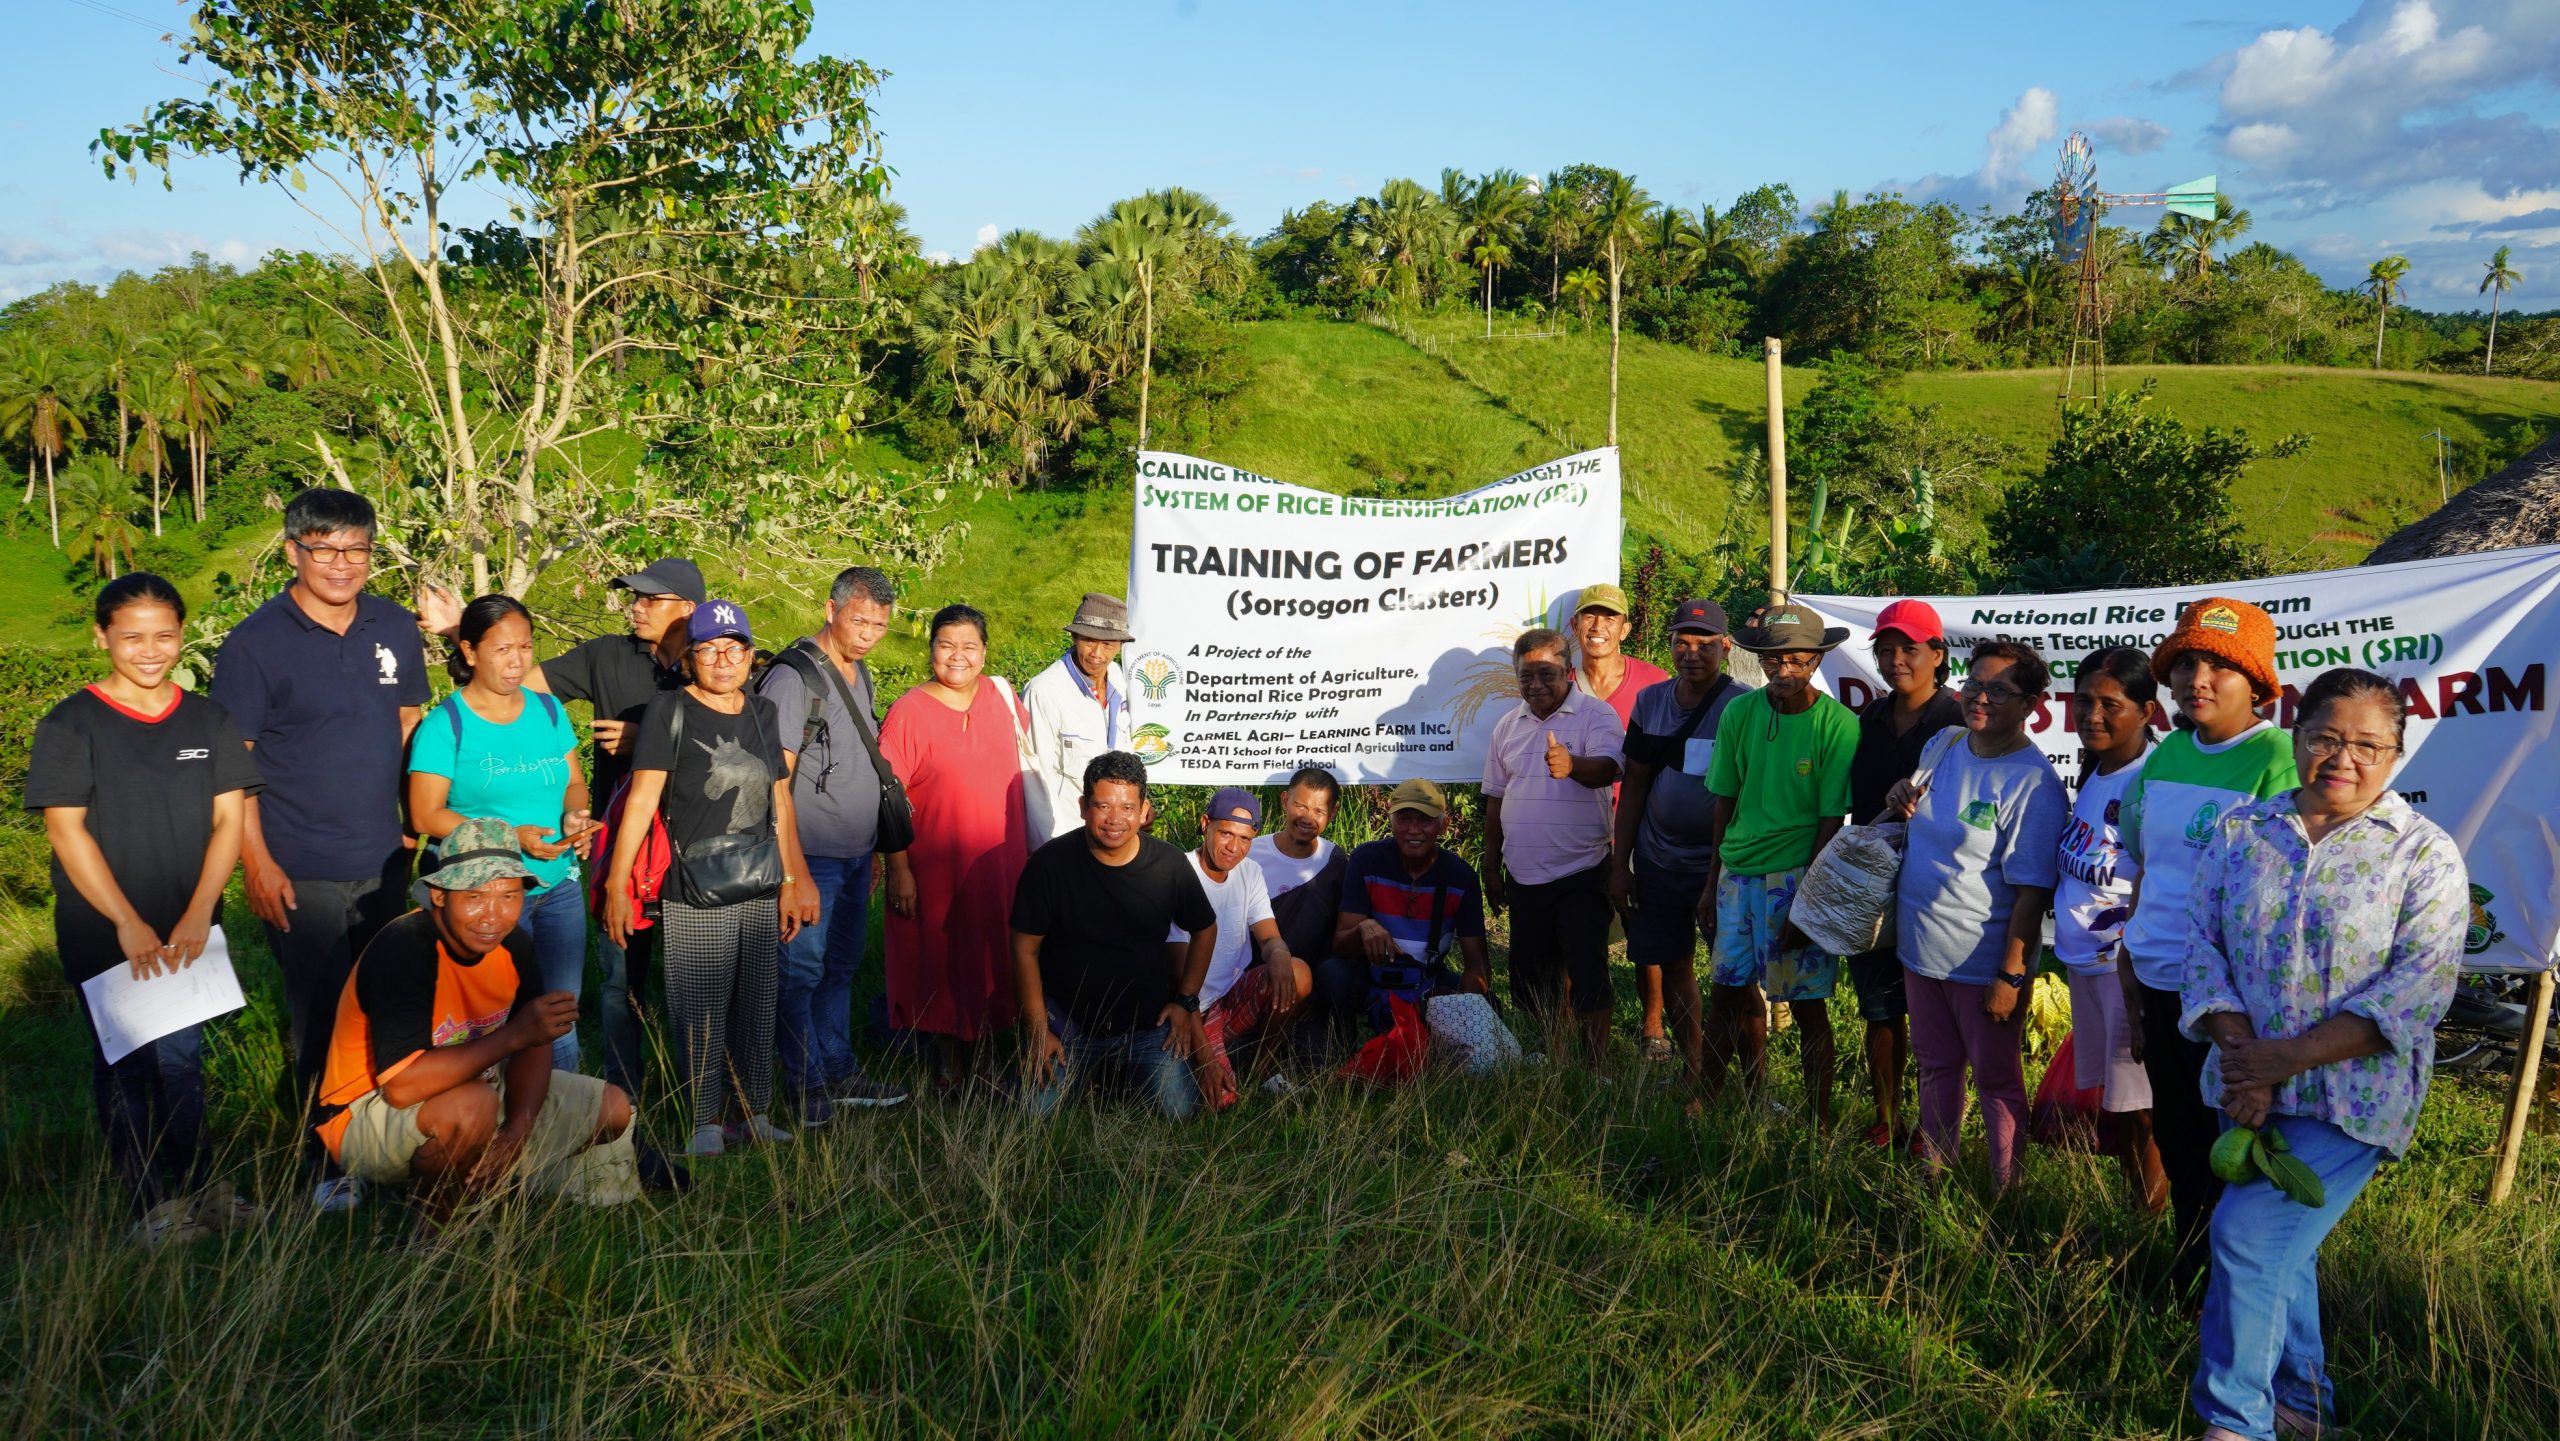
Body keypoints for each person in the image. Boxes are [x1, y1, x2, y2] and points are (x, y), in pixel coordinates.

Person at [2182, 668, 2465, 1441]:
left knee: (2246, 1235)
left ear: (2397, 753)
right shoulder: (2244, 831)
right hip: (2244, 1085)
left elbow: (2417, 989)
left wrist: (2284, 1060)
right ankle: (2304, 1409)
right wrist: (2244, 1058)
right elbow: (2201, 945)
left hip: (2353, 1098)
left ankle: (2236, 1423)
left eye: (2368, 745)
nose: (2344, 758)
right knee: (2283, 1250)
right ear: (2296, 735)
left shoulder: (2424, 855)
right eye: (2327, 737)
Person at [423, 556, 701, 1129]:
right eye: (635, 595)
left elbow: (743, 734)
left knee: (697, 979)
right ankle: (613, 1106)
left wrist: (651, 737)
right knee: (617, 983)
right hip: (617, 853)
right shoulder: (607, 655)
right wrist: (462, 633)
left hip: (696, 852)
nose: (636, 605)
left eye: (651, 598)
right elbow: (508, 681)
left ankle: (700, 1103)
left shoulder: (716, 657)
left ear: (688, 610)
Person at [211, 486, 430, 1213]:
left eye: (356, 549)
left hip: (385, 857)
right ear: (293, 551)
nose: (342, 563)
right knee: (320, 1017)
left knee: (389, 1004)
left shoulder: (394, 626)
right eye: (325, 548)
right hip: (298, 863)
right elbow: (232, 766)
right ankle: (332, 1160)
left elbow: (408, 724)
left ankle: (393, 1148)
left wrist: (411, 819)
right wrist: (257, 862)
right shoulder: (254, 643)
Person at [30, 574, 263, 1245]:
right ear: (102, 636)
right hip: (106, 930)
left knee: (183, 1061)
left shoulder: (208, 719)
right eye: (132, 636)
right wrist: (126, 922)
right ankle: (150, 1206)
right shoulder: (72, 723)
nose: (149, 649)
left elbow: (228, 823)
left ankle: (204, 1189)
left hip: (188, 928)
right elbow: (65, 829)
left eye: (164, 634)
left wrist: (199, 912)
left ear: (182, 635)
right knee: (127, 1065)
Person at [313, 819, 637, 1230]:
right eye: (474, 896)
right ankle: (435, 1227)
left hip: (479, 1082)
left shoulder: (511, 944)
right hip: (364, 1111)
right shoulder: (405, 947)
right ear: (439, 896)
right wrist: (514, 1034)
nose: (493, 915)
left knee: (614, 1107)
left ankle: (506, 1183)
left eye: (508, 896)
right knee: (473, 1107)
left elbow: (535, 1042)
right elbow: (401, 1087)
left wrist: (518, 1131)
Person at [2120, 596, 2294, 1296]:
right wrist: (2131, 969)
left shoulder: (2278, 758)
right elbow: (2146, 871)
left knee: (2238, 1152)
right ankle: (2189, 1272)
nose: (2199, 677)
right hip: (2160, 980)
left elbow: (2287, 894)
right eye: (2187, 661)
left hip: (2229, 1000)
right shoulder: (2165, 755)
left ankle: (2238, 1292)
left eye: (2221, 664)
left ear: (2257, 682)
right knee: (2181, 1139)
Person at [601, 598, 807, 1158]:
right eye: (708, 650)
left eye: (734, 648)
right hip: (694, 881)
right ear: (690, 658)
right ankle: (704, 1120)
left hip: (760, 874)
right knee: (699, 1001)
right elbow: (641, 802)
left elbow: (779, 801)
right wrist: (617, 888)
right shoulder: (669, 710)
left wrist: (793, 879)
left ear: (750, 655)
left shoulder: (763, 713)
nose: (722, 660)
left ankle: (754, 1111)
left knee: (758, 997)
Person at [1883, 640, 2068, 1191]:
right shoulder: (1945, 742)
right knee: (1935, 1067)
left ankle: (2005, 1190)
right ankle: (1933, 1171)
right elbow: (1914, 807)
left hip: (1981, 962)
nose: (1979, 698)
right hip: (1921, 949)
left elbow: (2032, 893)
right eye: (1974, 685)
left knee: (1995, 1078)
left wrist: (2011, 976)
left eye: (1998, 690)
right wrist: (1900, 794)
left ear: (2032, 705)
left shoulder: (2033, 784)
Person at [407, 594, 595, 1074]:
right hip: (487, 897)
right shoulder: (446, 725)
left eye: (526, 648)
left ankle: (564, 1121)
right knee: (499, 1016)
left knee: (560, 1011)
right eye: (502, 650)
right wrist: (510, 838)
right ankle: (497, 1127)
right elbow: (426, 815)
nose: (516, 662)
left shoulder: (549, 711)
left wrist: (576, 817)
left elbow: (574, 782)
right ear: (469, 652)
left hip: (558, 884)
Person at [754, 566, 913, 1125]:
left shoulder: (859, 672)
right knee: (800, 970)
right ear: (831, 609)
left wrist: (870, 849)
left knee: (841, 965)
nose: (869, 633)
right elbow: (776, 781)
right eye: (860, 620)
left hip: (850, 855)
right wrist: (791, 874)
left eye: (880, 624)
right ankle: (805, 1085)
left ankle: (839, 1068)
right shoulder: (793, 678)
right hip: (809, 856)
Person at [1698, 604, 1858, 1129]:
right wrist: (1709, 885)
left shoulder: (1837, 725)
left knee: (1806, 1003)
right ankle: (1706, 1102)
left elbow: (1830, 821)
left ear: (1816, 660)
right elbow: (1724, 800)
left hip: (1795, 876)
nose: (1783, 671)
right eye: (1772, 660)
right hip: (1736, 874)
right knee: (1725, 992)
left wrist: (1806, 905)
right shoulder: (1740, 714)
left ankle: (1817, 1120)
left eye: (1796, 660)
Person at [1011, 751, 1218, 1118]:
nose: (1114, 820)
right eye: (1103, 806)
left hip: (1148, 1026)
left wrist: (1186, 1002)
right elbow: (1023, 949)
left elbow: (1205, 928)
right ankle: (1087, 1073)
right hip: (1070, 1025)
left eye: (1126, 807)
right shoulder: (1049, 864)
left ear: (1143, 811)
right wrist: (1039, 1030)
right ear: (1083, 806)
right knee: (1030, 1115)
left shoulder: (1168, 864)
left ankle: (1119, 1076)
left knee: (1182, 1112)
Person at [880, 604, 1031, 1091]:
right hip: (935, 865)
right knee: (941, 959)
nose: (958, 656)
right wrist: (898, 868)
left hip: (999, 860)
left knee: (992, 955)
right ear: (931, 651)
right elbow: (888, 798)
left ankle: (986, 1065)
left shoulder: (1000, 697)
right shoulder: (909, 710)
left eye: (969, 646)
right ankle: (948, 1067)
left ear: (984, 652)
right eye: (946, 645)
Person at [1842, 599, 1964, 1150]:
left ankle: (1934, 1128)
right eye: (1886, 649)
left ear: (1937, 654)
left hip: (1935, 885)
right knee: (1880, 1008)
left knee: (1936, 1019)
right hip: (1873, 883)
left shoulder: (1959, 722)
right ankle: (1886, 1117)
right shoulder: (1870, 716)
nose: (1896, 660)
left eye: (1909, 649)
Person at [2053, 645, 2166, 1211]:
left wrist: (2135, 973)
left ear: (2147, 709)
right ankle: (2134, 1217)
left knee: (2144, 1111)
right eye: (2083, 701)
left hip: (2126, 972)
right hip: (2084, 965)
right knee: (2118, 1108)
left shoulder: (2153, 779)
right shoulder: (2095, 767)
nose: (2091, 714)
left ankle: (2156, 1229)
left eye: (2109, 704)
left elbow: (2158, 881)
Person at [1610, 598, 1743, 1078]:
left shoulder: (1743, 705)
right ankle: (1694, 1067)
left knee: (1735, 977)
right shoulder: (1650, 701)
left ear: (1726, 647)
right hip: (1657, 860)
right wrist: (1620, 864)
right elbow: (1635, 786)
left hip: (1723, 866)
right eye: (1681, 642)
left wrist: (1724, 868)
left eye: (1705, 644)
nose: (1692, 653)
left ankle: (1751, 1083)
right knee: (1675, 965)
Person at [1484, 627, 1624, 1064]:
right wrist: (1491, 866)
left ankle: (1596, 1066)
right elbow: (1495, 799)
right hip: (1524, 875)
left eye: (1546, 674)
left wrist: (1572, 764)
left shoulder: (1597, 716)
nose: (1536, 685)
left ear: (1568, 670)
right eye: (1527, 676)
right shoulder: (1507, 725)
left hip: (1581, 870)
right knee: (1533, 976)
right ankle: (1555, 1056)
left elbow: (1608, 769)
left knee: (1587, 972)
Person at [1168, 788, 1313, 1106]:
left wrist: (1278, 953)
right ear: (1206, 824)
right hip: (1188, 1010)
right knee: (1213, 1102)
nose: (1234, 847)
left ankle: (1259, 1071)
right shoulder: (1178, 874)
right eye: (1226, 834)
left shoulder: (1249, 872)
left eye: (1245, 839)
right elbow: (1182, 989)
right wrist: (1205, 1056)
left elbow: (1270, 936)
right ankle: (1214, 1062)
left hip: (1229, 1000)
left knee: (1296, 972)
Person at [1325, 779, 1493, 1039]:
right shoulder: (1366, 860)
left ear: (1443, 825)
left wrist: (1457, 1007)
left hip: (1429, 980)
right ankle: (1343, 1038)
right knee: (1332, 974)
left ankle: (1421, 1030)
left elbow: (1478, 969)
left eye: (1424, 820)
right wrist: (1364, 928)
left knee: (1487, 1003)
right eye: (1404, 819)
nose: (1413, 830)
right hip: (1374, 977)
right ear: (1390, 820)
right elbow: (1340, 945)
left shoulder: (1461, 876)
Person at [1019, 591, 1134, 846]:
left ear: (1120, 646)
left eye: (1108, 645)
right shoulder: (1044, 691)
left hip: (1114, 834)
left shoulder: (1118, 679)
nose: (1097, 653)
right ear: (1074, 637)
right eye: (1089, 641)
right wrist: (1048, 848)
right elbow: (1035, 778)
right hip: (1067, 835)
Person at [1251, 766, 1348, 970]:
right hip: (1253, 968)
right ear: (1285, 801)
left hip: (1313, 972)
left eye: (1319, 811)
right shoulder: (1251, 852)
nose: (1307, 818)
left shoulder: (1333, 860)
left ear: (1333, 813)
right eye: (1300, 806)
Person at [1567, 583, 1670, 730]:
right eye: (1589, 617)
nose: (1597, 627)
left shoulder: (1654, 682)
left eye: (1610, 619)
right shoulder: (1561, 687)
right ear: (1575, 626)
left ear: (1624, 630)